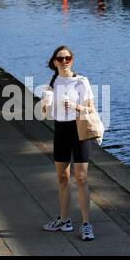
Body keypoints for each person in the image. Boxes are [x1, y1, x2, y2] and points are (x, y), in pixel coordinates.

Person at [41, 45, 97, 241]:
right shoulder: (52, 81)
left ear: (72, 60)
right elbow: (45, 111)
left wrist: (76, 106)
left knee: (81, 178)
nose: (64, 61)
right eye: (60, 58)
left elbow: (91, 110)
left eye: (68, 58)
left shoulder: (81, 81)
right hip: (61, 131)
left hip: (79, 130)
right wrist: (44, 105)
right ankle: (64, 220)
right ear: (54, 62)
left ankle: (86, 224)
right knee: (62, 178)